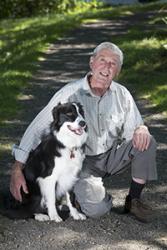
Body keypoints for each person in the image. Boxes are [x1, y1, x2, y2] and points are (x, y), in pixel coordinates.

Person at [10, 42, 157, 222]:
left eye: (113, 63)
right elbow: (37, 128)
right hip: (82, 163)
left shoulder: (123, 94)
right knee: (97, 210)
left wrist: (142, 128)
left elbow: (134, 131)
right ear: (92, 63)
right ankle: (83, 197)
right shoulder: (69, 93)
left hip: (110, 157)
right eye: (103, 60)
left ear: (118, 70)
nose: (107, 67)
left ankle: (133, 200)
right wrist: (18, 167)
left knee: (147, 140)